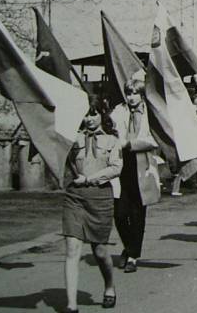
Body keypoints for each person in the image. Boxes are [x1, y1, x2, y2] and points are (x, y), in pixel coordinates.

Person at [63, 100, 122, 313]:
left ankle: (109, 286)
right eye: (86, 115)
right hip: (75, 198)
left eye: (94, 114)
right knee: (72, 248)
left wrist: (89, 179)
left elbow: (116, 168)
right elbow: (61, 158)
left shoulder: (112, 140)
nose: (89, 119)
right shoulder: (72, 138)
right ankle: (71, 304)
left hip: (100, 199)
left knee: (100, 251)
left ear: (102, 115)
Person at [111, 78, 160, 273]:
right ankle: (128, 246)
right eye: (128, 93)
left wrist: (132, 144)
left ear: (142, 95)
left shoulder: (151, 113)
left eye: (135, 94)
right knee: (120, 214)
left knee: (137, 214)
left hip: (142, 165)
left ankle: (133, 256)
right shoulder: (118, 111)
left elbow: (154, 139)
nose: (131, 98)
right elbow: (113, 131)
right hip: (122, 165)